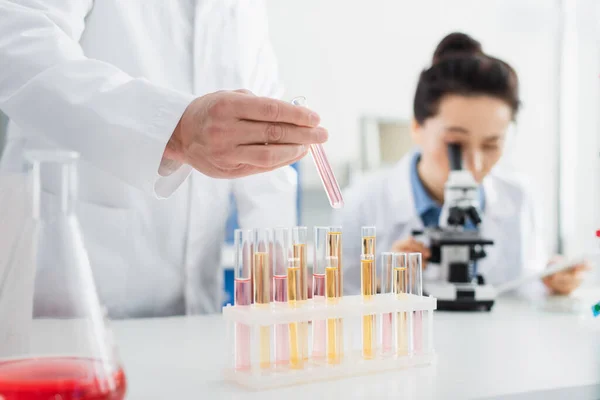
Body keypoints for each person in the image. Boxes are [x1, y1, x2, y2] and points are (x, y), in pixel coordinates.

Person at [0, 1, 328, 318]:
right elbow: (17, 40)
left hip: (193, 313)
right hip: (67, 309)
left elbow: (261, 135)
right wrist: (173, 129)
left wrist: (277, 275)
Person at [334, 32, 588, 297]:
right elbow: (339, 310)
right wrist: (380, 285)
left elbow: (523, 290)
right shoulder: (360, 205)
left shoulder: (519, 198)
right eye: (455, 144)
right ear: (417, 127)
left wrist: (552, 282)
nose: (473, 165)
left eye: (491, 145)